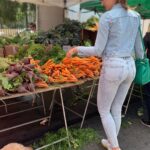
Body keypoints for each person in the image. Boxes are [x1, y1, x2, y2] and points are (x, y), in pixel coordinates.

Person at [67, 0, 144, 150]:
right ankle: (111, 143)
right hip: (130, 66)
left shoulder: (108, 17)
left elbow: (98, 51)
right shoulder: (136, 16)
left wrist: (77, 49)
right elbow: (139, 49)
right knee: (116, 107)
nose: (102, 2)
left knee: (104, 109)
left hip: (113, 67)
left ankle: (115, 147)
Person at [141, 25, 150, 127]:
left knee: (148, 93)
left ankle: (148, 120)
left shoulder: (148, 36)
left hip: (149, 68)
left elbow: (141, 51)